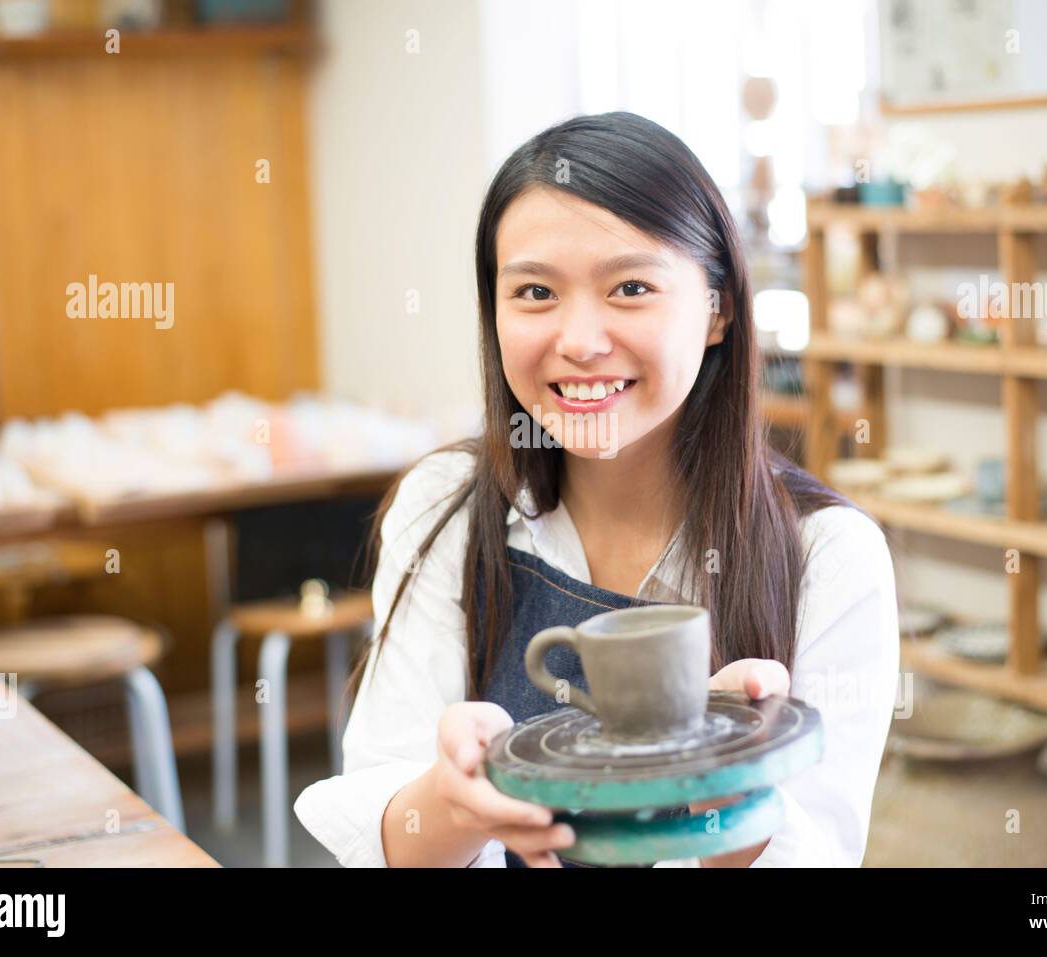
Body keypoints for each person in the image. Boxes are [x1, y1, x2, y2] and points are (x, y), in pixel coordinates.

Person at [295, 111, 899, 868]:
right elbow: (388, 836)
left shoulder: (828, 557)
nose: (579, 341)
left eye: (631, 287)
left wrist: (729, 795)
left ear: (719, 310)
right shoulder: (445, 505)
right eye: (536, 292)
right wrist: (452, 799)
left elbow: (816, 854)